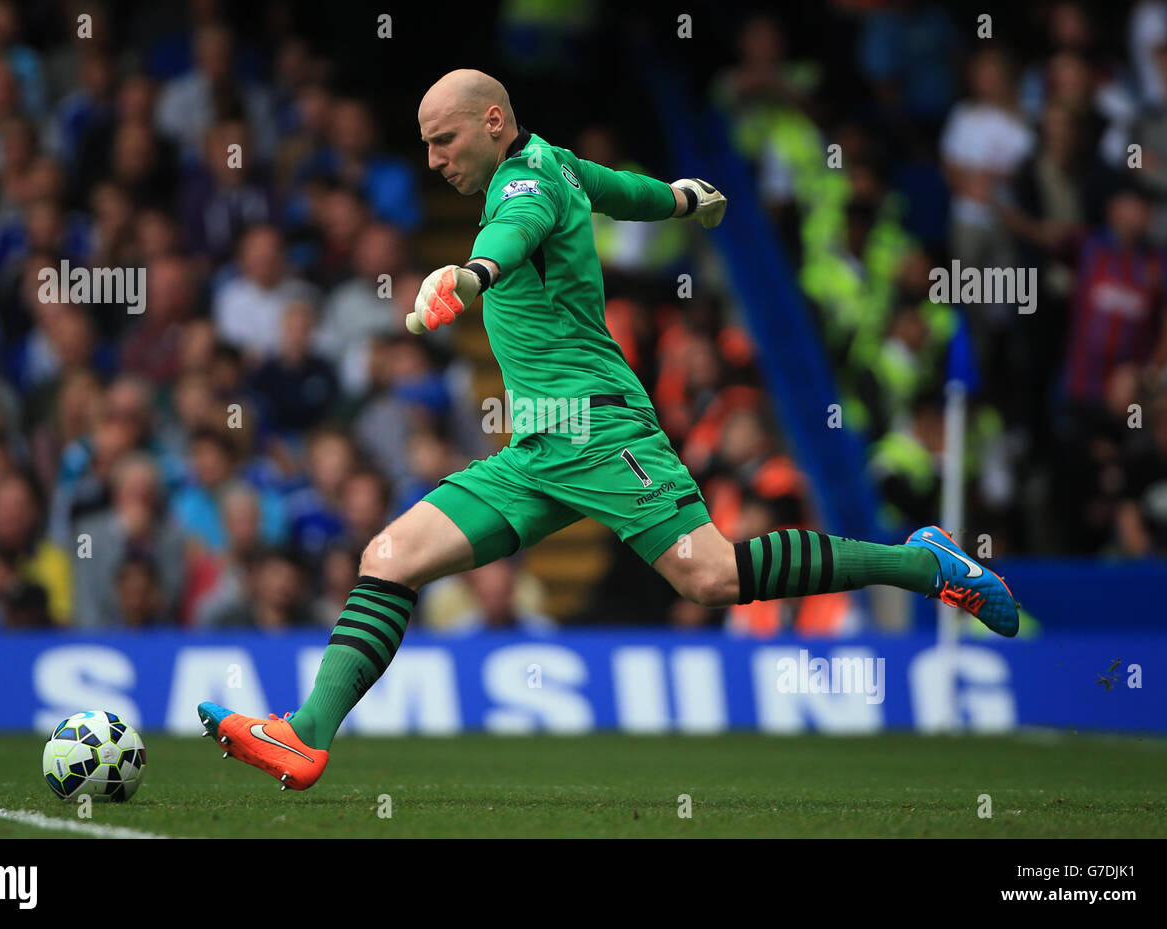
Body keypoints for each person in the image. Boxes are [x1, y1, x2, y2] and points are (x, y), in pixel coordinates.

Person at [198, 69, 1020, 792]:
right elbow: (618, 189)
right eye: (423, 145)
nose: (432, 159)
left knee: (711, 578)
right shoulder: (553, 161)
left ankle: (923, 563)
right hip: (537, 448)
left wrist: (468, 274)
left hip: (597, 430)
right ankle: (305, 736)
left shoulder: (522, 188)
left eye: (442, 140)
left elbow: (508, 241)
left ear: (491, 124)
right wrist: (683, 198)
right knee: (389, 557)